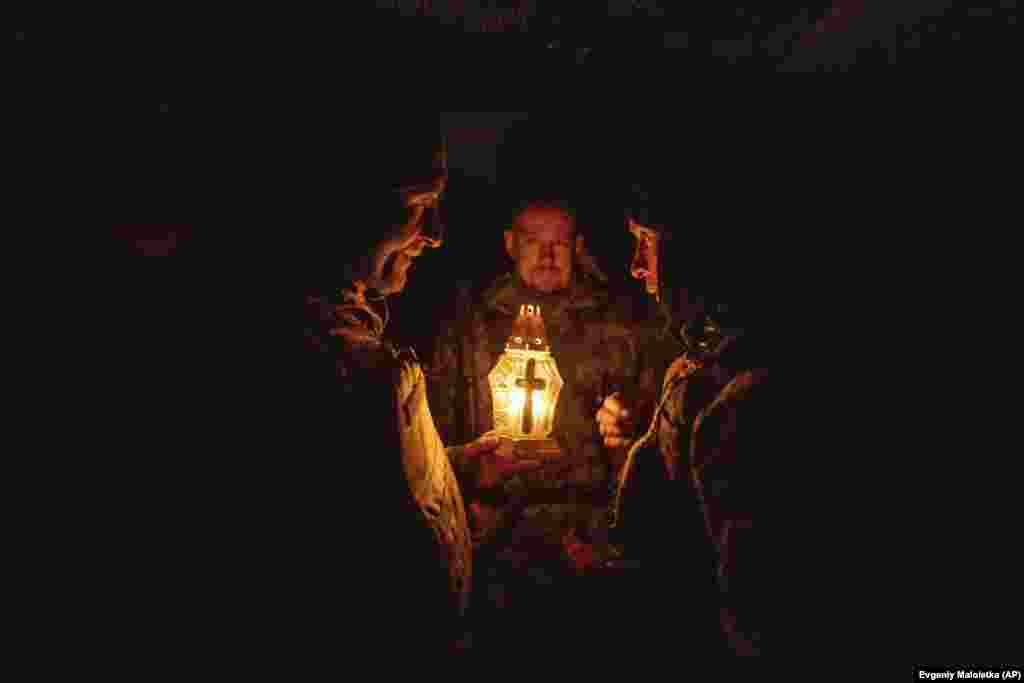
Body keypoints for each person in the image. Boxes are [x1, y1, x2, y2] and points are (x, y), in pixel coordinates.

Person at [301, 118, 538, 655]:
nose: (434, 233)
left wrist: (453, 470)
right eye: (416, 204)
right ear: (340, 200)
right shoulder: (332, 367)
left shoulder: (362, 344)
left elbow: (378, 498)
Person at [428, 197, 655, 650]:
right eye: (535, 242)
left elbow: (647, 423)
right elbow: (438, 428)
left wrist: (628, 426)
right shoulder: (469, 323)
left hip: (586, 529)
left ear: (577, 246)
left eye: (559, 244)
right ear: (511, 244)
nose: (548, 256)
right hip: (496, 531)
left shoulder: (618, 323)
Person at [596, 176, 772, 657]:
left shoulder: (752, 402)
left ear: (698, 250)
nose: (636, 267)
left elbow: (753, 617)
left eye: (647, 244)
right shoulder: (698, 367)